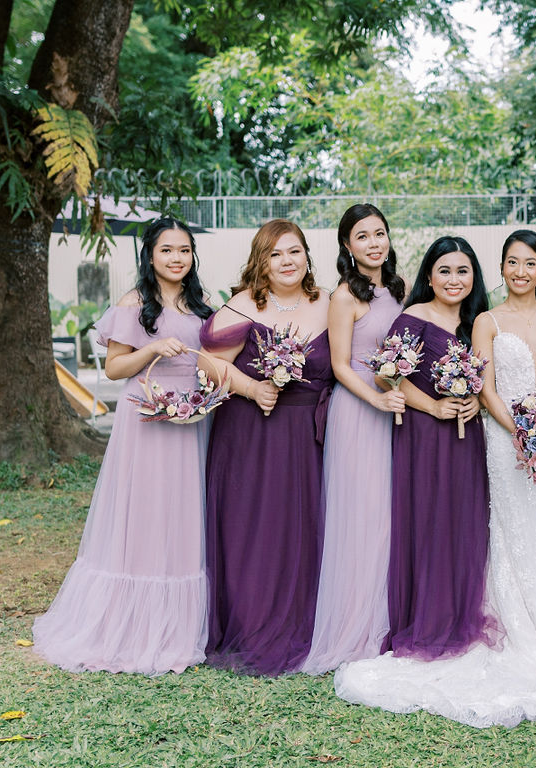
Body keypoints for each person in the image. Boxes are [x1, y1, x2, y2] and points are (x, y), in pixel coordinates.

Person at [335, 232, 536, 729]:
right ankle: (437, 621)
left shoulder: (477, 319)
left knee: (479, 528)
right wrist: (435, 404)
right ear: (428, 276)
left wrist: (535, 416)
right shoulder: (415, 317)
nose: (454, 280)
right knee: (440, 527)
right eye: (444, 271)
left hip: (477, 438)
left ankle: (515, 616)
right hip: (432, 439)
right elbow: (387, 376)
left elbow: (486, 380)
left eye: (462, 271)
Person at [33, 217, 213, 675]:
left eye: (184, 250)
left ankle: (179, 627)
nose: (177, 258)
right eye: (167, 250)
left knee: (184, 514)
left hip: (190, 417)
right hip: (146, 416)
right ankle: (130, 626)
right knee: (146, 514)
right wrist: (153, 350)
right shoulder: (135, 304)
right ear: (150, 255)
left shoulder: (204, 304)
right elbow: (114, 369)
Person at [200, 218, 333, 676]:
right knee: (256, 527)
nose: (287, 261)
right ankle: (254, 622)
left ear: (307, 256)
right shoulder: (243, 305)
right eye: (275, 254)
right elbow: (207, 364)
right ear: (262, 261)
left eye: (294, 251)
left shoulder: (328, 303)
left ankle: (306, 623)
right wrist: (252, 387)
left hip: (308, 437)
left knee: (302, 527)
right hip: (252, 432)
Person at [301, 204, 405, 675]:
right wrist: (378, 399)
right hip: (361, 410)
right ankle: (357, 628)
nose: (373, 243)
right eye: (362, 236)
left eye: (379, 233)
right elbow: (341, 366)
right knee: (362, 516)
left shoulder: (399, 289)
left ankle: (393, 620)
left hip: (399, 408)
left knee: (392, 514)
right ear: (347, 245)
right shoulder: (345, 296)